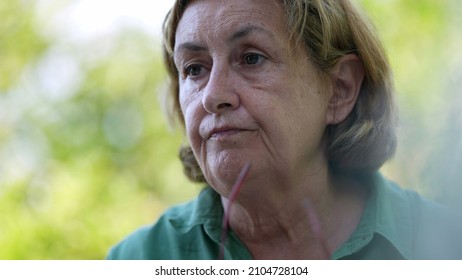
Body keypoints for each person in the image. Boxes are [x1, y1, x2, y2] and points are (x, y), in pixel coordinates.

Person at [107, 0, 462, 259]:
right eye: (195, 68)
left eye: (251, 58)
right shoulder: (140, 259)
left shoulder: (445, 246)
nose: (213, 96)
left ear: (340, 90)